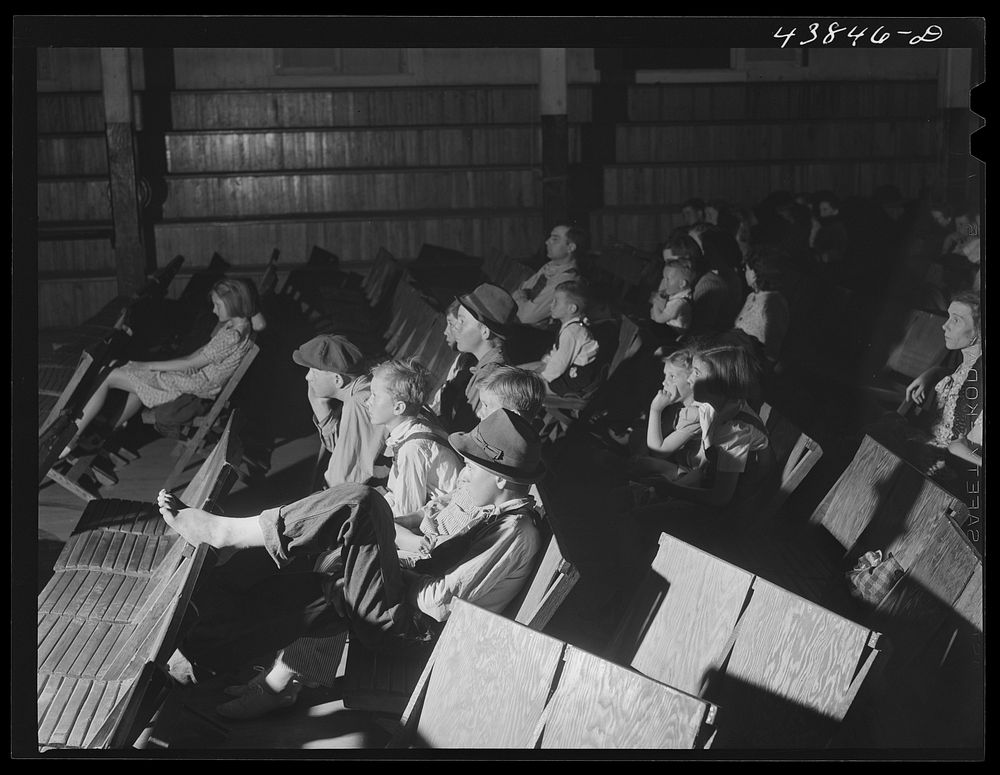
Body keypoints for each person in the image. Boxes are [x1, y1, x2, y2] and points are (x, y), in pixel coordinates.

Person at [160, 408, 546, 718]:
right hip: (402, 608)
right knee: (313, 587)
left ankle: (226, 536)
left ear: (499, 479)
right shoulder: (491, 510)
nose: (464, 472)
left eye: (474, 466)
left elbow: (441, 604)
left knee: (362, 504)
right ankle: (199, 659)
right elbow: (431, 536)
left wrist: (387, 561)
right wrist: (384, 550)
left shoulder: (514, 533)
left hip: (415, 631)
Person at [62, 278, 257, 457]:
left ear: (233, 302)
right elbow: (197, 355)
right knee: (124, 372)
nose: (214, 310)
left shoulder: (232, 336)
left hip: (197, 386)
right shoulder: (239, 326)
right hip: (197, 378)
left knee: (109, 375)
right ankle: (102, 434)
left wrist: (149, 366)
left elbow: (191, 362)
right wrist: (156, 367)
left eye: (217, 305)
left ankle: (70, 439)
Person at [366, 358, 463, 517]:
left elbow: (406, 513)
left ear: (398, 407)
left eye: (374, 396)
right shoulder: (420, 425)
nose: (367, 402)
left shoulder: (413, 448)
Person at [295, 333, 386, 489]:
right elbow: (344, 450)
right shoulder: (364, 389)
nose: (307, 377)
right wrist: (319, 406)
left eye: (314, 372)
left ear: (337, 380)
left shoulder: (359, 403)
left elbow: (343, 477)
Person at [903, 291, 983, 451]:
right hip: (932, 438)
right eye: (949, 317)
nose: (945, 326)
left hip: (944, 457)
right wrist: (933, 372)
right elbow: (961, 376)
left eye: (956, 320)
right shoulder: (969, 363)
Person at [438, 283, 517, 433]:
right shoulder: (485, 365)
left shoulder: (488, 377)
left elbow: (460, 434)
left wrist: (445, 405)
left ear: (485, 332)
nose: (456, 328)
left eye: (462, 321)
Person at [627, 348, 702, 484]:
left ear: (692, 380)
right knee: (637, 438)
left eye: (672, 376)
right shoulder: (680, 405)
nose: (664, 382)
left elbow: (658, 451)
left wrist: (655, 410)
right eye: (665, 375)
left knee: (645, 463)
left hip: (694, 472)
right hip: (679, 458)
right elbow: (662, 432)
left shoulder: (695, 413)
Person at [523, 280, 601, 396]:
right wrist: (544, 364)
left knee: (521, 386)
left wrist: (540, 377)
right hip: (564, 371)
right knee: (522, 371)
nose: (551, 305)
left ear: (572, 309)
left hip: (571, 380)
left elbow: (560, 364)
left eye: (556, 302)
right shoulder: (569, 326)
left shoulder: (572, 332)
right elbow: (557, 352)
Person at [512, 224, 584, 327]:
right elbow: (522, 290)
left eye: (555, 239)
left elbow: (525, 316)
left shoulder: (566, 281)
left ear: (571, 247)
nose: (547, 242)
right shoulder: (550, 267)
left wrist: (520, 298)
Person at [732, 246, 792, 366]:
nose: (744, 272)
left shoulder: (774, 302)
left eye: (747, 268)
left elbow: (772, 351)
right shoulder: (752, 296)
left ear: (756, 272)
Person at [651, 258, 697, 335]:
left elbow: (659, 319)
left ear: (682, 284)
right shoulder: (681, 295)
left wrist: (655, 302)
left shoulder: (679, 303)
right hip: (671, 330)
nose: (664, 282)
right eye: (664, 278)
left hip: (675, 335)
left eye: (668, 279)